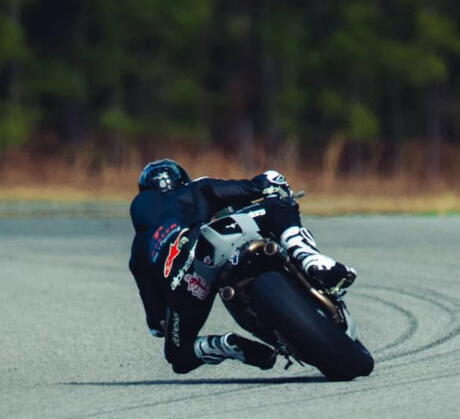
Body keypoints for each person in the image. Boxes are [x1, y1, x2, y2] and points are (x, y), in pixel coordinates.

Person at [129, 158, 355, 374]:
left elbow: (156, 322)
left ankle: (222, 345)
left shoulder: (138, 250)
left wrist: (165, 321)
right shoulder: (194, 188)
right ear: (182, 180)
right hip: (209, 238)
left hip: (188, 278)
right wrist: (275, 187)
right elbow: (259, 185)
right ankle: (308, 258)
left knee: (178, 356)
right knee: (278, 205)